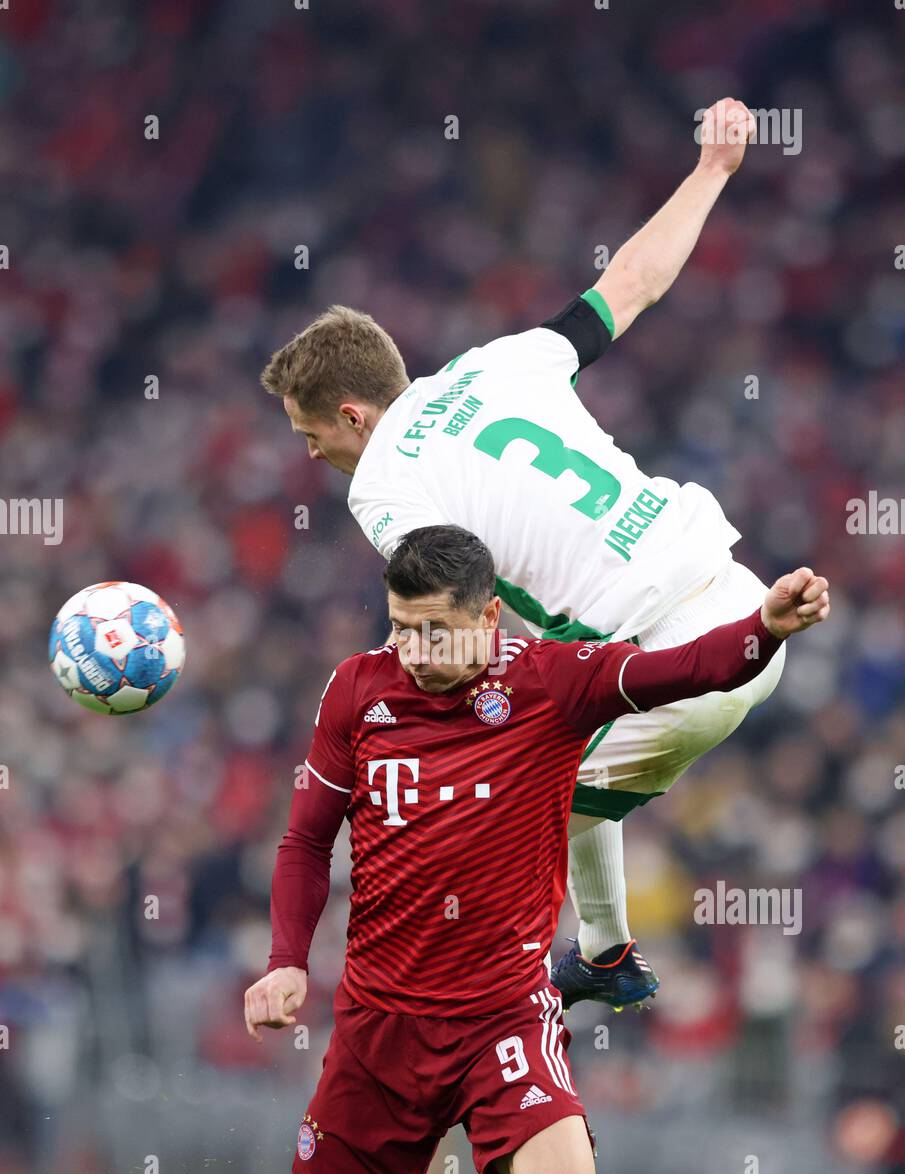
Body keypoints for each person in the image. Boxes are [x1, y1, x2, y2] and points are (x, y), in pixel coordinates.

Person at [260, 99, 773, 1014]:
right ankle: (604, 955)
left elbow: (449, 612)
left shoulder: (380, 484)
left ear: (352, 415)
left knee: (502, 797)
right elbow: (632, 284)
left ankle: (485, 1019)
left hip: (672, 649)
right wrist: (710, 175)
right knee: (562, 746)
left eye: (308, 434)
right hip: (731, 589)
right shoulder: (497, 363)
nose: (309, 455)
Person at [244, 525, 829, 1174]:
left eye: (433, 631)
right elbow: (306, 840)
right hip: (376, 1029)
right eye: (397, 625)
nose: (411, 650)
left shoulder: (554, 681)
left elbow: (685, 669)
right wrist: (286, 959)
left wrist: (762, 629)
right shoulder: (357, 687)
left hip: (502, 1023)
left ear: (488, 618)